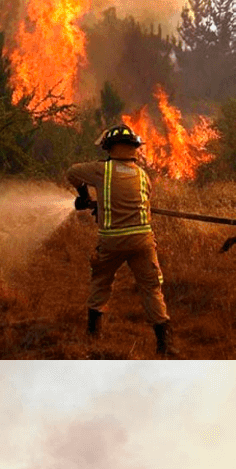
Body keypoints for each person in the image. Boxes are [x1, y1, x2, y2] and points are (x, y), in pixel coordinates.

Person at [66, 124, 175, 356]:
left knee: (101, 281)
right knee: (151, 289)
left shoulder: (101, 171)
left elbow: (71, 173)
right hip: (142, 241)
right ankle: (164, 344)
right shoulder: (143, 175)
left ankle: (93, 335)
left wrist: (84, 196)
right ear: (133, 149)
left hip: (112, 241)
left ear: (110, 147)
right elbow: (141, 203)